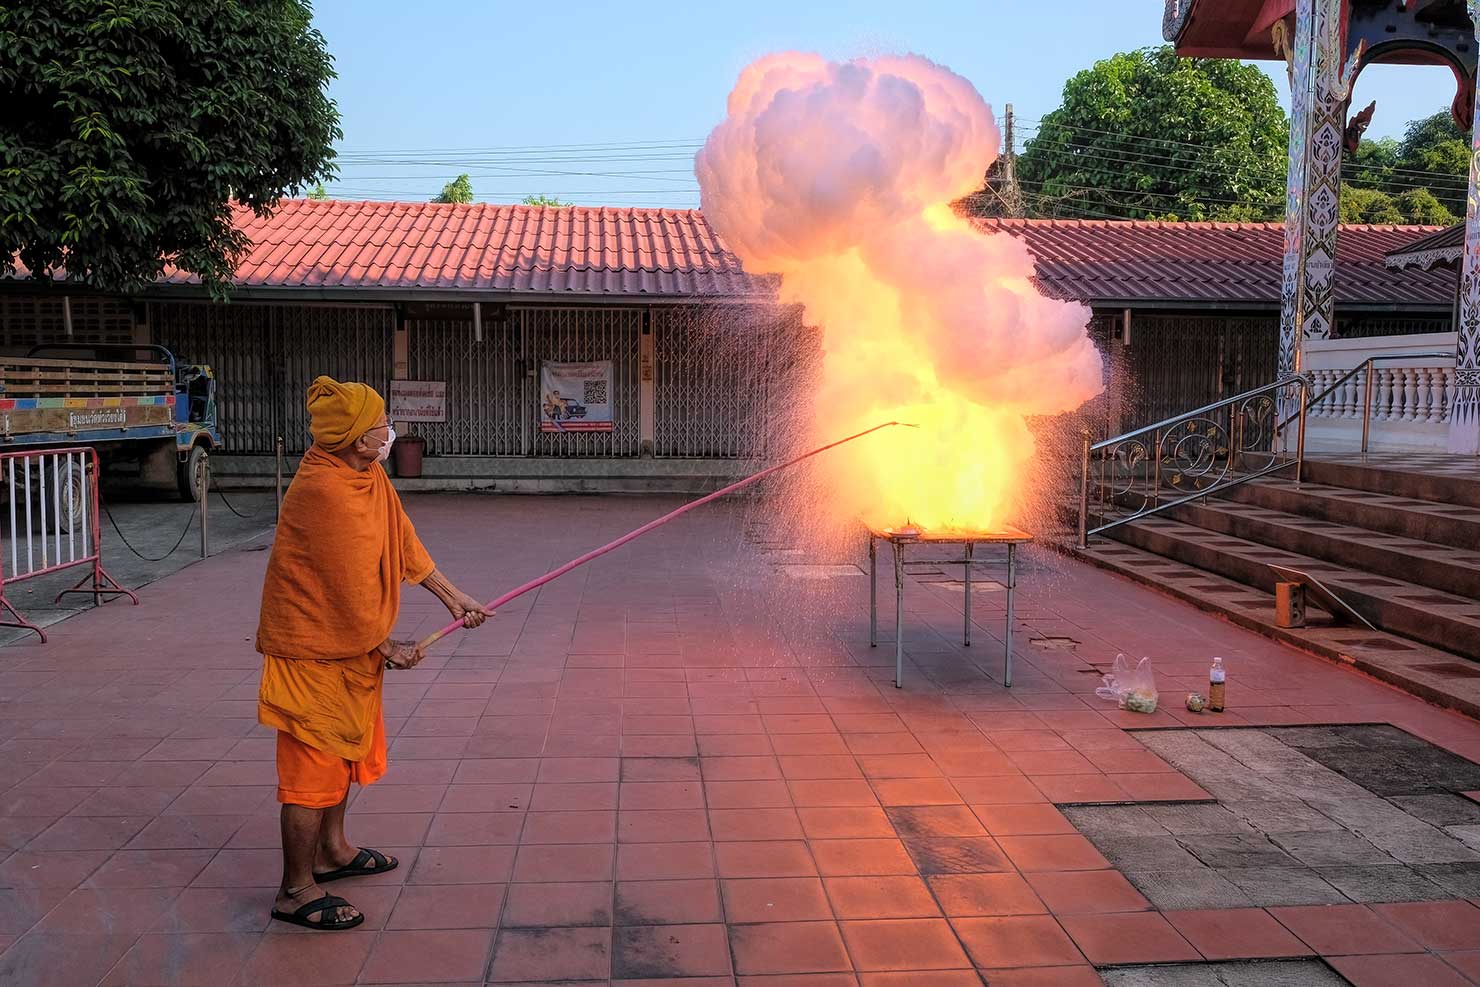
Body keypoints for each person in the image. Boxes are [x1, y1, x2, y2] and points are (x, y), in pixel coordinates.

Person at [256, 375, 490, 930]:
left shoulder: (365, 474)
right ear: (360, 439)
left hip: (350, 644)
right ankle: (295, 888)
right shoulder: (324, 491)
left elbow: (401, 539)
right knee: (313, 767)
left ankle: (333, 852)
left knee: (344, 748)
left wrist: (455, 598)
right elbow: (343, 583)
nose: (390, 432)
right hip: (312, 648)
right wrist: (387, 645)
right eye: (382, 425)